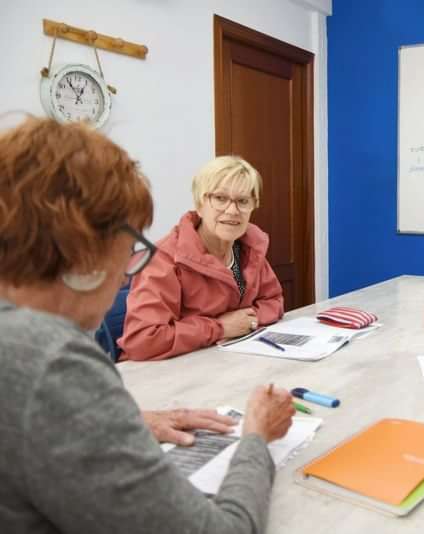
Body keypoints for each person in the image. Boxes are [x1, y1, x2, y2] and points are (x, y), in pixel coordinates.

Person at [0, 117, 295, 533]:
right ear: (84, 254)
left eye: (243, 200)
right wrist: (256, 438)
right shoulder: (52, 362)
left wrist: (128, 419)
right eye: (130, 250)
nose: (128, 272)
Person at [119, 155, 284, 361]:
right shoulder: (164, 258)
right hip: (162, 374)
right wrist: (220, 328)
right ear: (199, 204)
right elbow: (143, 339)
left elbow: (273, 300)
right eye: (220, 198)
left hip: (225, 360)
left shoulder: (249, 247)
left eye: (243, 201)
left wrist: (248, 320)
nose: (232, 211)